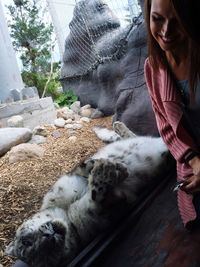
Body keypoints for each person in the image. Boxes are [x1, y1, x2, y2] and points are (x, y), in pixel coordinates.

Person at [144, 0, 200, 229]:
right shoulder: (152, 67)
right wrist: (195, 161)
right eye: (157, 19)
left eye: (176, 21)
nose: (166, 31)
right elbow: (166, 126)